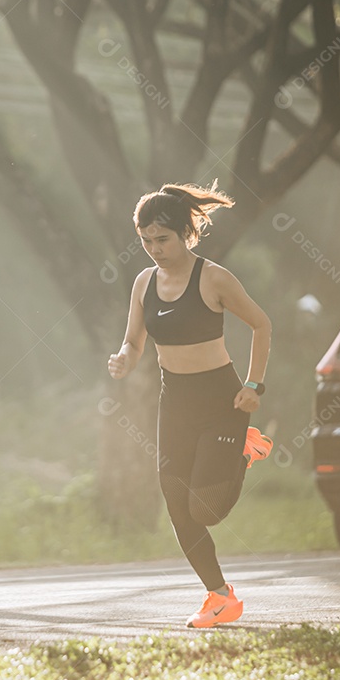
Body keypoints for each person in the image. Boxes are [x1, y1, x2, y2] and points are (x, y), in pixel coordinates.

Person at [107, 181, 272, 628]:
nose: (154, 250)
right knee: (177, 503)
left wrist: (255, 384)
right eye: (145, 241)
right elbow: (134, 340)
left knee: (207, 510)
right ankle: (220, 597)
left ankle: (242, 448)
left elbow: (261, 325)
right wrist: (124, 358)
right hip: (174, 399)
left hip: (222, 399)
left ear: (186, 233)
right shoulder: (144, 283)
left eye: (162, 239)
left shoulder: (214, 278)